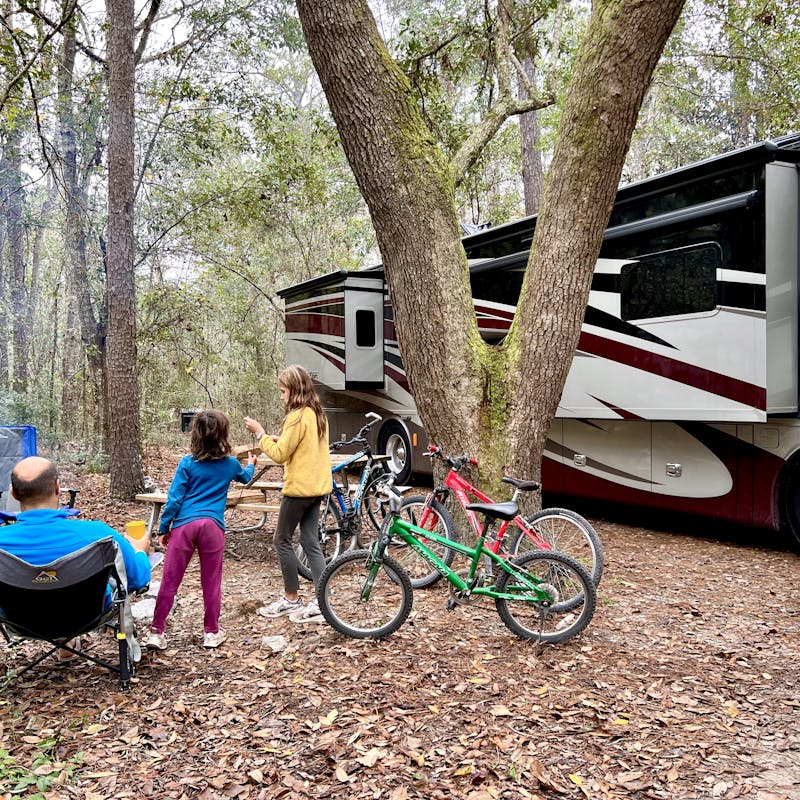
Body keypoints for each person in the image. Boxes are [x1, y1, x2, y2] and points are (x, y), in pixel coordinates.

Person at [0, 456, 152, 657]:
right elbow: (138, 579)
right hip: (88, 615)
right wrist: (141, 549)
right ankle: (68, 640)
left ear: (13, 493)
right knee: (104, 582)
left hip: (18, 621)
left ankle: (66, 644)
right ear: (57, 487)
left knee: (44, 585)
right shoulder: (99, 535)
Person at [145, 410, 256, 651]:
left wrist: (164, 528)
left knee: (170, 580)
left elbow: (174, 499)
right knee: (211, 581)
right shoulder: (230, 464)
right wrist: (252, 464)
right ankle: (211, 633)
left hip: (184, 525)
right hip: (213, 527)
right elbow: (245, 477)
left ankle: (156, 631)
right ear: (223, 435)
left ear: (195, 435)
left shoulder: (187, 463)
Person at [245, 364, 332, 623]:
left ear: (293, 390)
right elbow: (297, 444)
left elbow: (280, 454)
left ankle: (291, 598)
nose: (281, 396)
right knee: (309, 542)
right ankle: (321, 601)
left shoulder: (296, 416)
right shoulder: (317, 414)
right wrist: (276, 437)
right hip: (317, 487)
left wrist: (260, 434)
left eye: (283, 391)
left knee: (281, 539)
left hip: (299, 489)